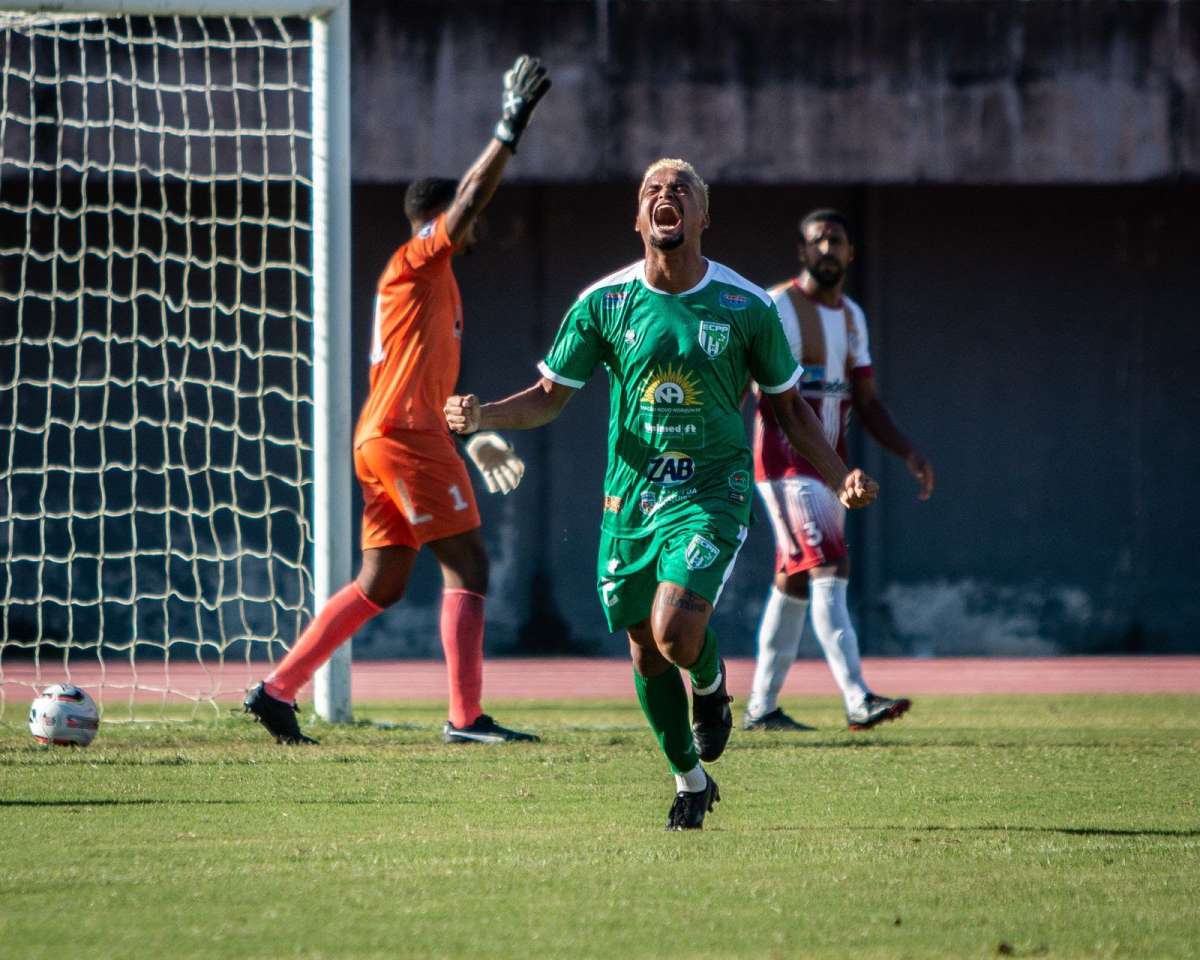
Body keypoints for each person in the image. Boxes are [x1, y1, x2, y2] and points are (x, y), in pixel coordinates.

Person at [444, 161, 878, 829]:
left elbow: (789, 410)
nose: (665, 195)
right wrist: (485, 415)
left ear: (703, 217)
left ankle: (711, 687)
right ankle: (690, 780)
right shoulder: (605, 304)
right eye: (652, 190)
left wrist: (836, 472)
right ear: (638, 219)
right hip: (631, 502)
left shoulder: (745, 307)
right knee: (644, 647)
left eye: (681, 189)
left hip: (713, 490)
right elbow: (551, 396)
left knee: (676, 632)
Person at [243, 55, 552, 746]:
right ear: (441, 221)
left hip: (390, 435)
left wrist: (473, 429)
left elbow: (421, 376)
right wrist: (509, 125)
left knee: (382, 584)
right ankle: (465, 720)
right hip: (404, 438)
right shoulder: (419, 257)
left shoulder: (429, 283)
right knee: (469, 564)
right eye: (462, 220)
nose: (473, 231)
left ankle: (276, 690)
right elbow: (470, 200)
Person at [743, 208, 935, 733]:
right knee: (830, 567)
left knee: (794, 584)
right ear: (802, 252)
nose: (827, 249)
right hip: (783, 468)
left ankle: (761, 708)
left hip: (832, 471)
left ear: (851, 254)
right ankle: (857, 699)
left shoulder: (852, 316)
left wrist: (906, 451)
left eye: (836, 241)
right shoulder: (778, 305)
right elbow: (745, 382)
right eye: (817, 241)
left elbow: (867, 401)